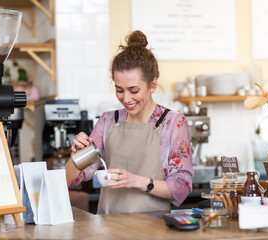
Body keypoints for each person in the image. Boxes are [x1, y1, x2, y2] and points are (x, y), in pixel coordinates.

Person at [65, 30, 193, 214]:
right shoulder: (108, 120)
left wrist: (137, 181)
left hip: (153, 230)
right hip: (108, 228)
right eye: (119, 90)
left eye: (133, 90)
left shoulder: (173, 123)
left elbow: (182, 186)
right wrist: (77, 155)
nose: (126, 98)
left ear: (153, 84)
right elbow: (73, 180)